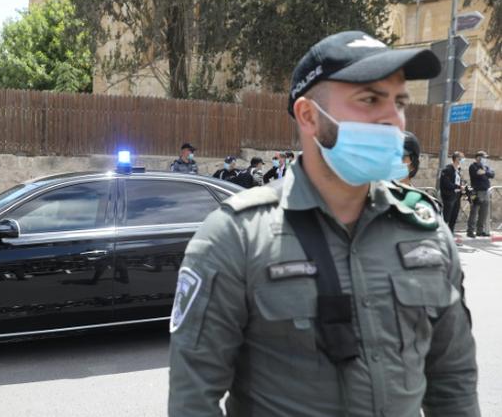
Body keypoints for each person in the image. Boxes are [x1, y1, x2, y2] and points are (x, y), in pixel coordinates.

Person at [169, 31, 478, 416]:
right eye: (370, 99)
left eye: (400, 102)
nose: (393, 118)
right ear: (309, 116)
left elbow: (453, 382)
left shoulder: (427, 231)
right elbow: (193, 400)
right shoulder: (236, 236)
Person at [467, 150, 495, 238]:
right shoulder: (473, 166)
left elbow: (492, 174)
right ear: (478, 157)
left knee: (484, 213)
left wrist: (484, 172)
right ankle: (470, 231)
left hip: (485, 192)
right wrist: (485, 173)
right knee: (474, 212)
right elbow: (477, 174)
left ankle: (480, 231)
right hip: (477, 192)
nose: (485, 159)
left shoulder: (485, 167)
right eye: (484, 157)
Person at [440, 151, 465, 233]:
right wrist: (458, 187)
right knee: (447, 217)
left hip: (457, 195)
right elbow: (446, 183)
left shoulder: (458, 169)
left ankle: (451, 234)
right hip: (449, 196)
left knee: (454, 216)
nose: (463, 159)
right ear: (457, 159)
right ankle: (443, 234)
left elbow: (459, 181)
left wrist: (464, 188)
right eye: (461, 158)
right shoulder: (447, 169)